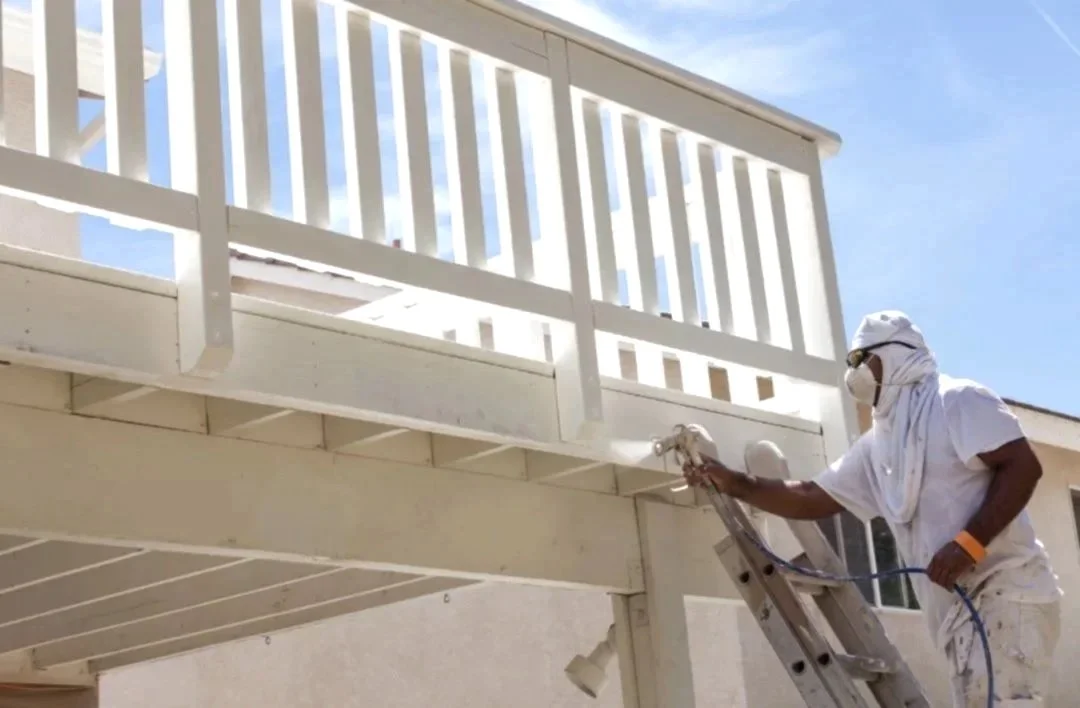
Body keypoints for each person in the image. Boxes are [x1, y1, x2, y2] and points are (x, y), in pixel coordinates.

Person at [683, 310, 1061, 707]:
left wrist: (968, 544)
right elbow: (813, 496)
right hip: (959, 616)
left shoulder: (957, 400)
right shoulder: (879, 444)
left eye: (860, 359)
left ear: (895, 354)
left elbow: (1023, 466)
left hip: (1006, 592)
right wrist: (736, 483)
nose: (853, 372)